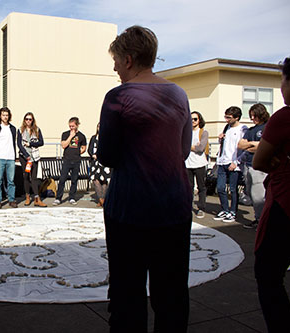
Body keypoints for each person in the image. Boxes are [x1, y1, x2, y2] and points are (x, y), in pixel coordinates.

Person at [98, 26, 192, 332]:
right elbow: (183, 149)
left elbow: (107, 155)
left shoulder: (118, 97)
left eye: (114, 60)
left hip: (129, 209)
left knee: (127, 294)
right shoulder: (178, 94)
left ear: (127, 59)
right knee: (172, 294)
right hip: (174, 207)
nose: (113, 68)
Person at [252, 56, 290, 333]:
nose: (281, 87)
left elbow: (259, 161)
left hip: (286, 204)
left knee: (268, 274)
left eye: (282, 80)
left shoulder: (286, 116)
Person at [213, 106, 248, 223]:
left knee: (233, 189)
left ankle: (233, 211)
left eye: (229, 117)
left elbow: (244, 147)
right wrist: (220, 139)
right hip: (222, 161)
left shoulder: (242, 129)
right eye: (225, 117)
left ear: (237, 117)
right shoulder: (226, 127)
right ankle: (225, 209)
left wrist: (237, 162)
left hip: (234, 163)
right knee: (220, 188)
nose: (226, 119)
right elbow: (226, 145)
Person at [238, 103, 269, 229]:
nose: (252, 118)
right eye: (251, 116)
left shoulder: (267, 127)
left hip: (260, 168)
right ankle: (258, 218)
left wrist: (253, 145)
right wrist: (253, 145)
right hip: (248, 165)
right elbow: (241, 145)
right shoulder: (250, 130)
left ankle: (262, 220)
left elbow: (263, 146)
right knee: (251, 194)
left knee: (259, 196)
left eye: (254, 115)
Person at [53, 117, 87, 205]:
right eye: (70, 126)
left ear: (77, 125)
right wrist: (71, 136)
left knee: (74, 179)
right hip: (67, 160)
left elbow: (84, 147)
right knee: (62, 179)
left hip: (76, 160)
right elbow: (63, 145)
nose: (71, 127)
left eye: (73, 126)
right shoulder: (65, 134)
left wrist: (79, 151)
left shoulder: (81, 136)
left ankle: (72, 197)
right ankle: (58, 198)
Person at [0, 107, 18, 209]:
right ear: (0, 116)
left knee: (11, 181)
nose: (5, 117)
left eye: (7, 115)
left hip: (10, 157)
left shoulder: (13, 128)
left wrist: (15, 156)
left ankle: (11, 199)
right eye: (3, 115)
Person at [17, 112, 47, 207]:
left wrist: (31, 144)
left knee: (34, 178)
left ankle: (37, 198)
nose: (28, 121)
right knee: (26, 176)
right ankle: (27, 196)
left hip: (34, 157)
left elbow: (41, 142)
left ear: (32, 120)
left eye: (30, 119)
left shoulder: (37, 130)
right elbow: (19, 144)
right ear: (24, 120)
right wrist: (26, 155)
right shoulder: (20, 130)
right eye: (26, 119)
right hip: (24, 157)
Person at [185, 111, 209, 218]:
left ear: (199, 120)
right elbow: (181, 145)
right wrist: (193, 147)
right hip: (188, 163)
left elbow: (201, 148)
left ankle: (201, 208)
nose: (193, 121)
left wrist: (189, 147)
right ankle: (188, 207)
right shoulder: (186, 132)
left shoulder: (203, 132)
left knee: (201, 187)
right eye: (191, 119)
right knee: (189, 187)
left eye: (195, 119)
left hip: (199, 163)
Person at [88, 123, 111, 207]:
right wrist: (93, 155)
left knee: (104, 181)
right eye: (98, 127)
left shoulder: (108, 138)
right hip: (95, 162)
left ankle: (102, 200)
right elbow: (90, 149)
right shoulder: (94, 138)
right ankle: (101, 199)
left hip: (104, 163)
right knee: (95, 179)